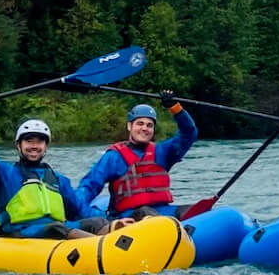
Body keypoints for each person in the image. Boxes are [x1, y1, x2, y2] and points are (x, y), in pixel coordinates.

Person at [0, 96, 111, 239]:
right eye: (28, 141)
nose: (34, 146)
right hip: (22, 231)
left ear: (46, 147)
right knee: (56, 228)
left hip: (60, 229)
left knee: (97, 222)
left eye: (39, 142)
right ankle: (100, 251)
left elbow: (79, 210)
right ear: (18, 145)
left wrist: (114, 219)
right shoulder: (4, 174)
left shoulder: (58, 180)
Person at [77, 94, 198, 222]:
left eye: (149, 125)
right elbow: (89, 185)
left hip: (163, 211)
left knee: (191, 210)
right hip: (128, 215)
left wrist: (176, 109)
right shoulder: (113, 157)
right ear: (130, 126)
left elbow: (189, 133)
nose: (144, 128)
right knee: (146, 213)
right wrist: (79, 209)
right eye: (140, 124)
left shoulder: (162, 152)